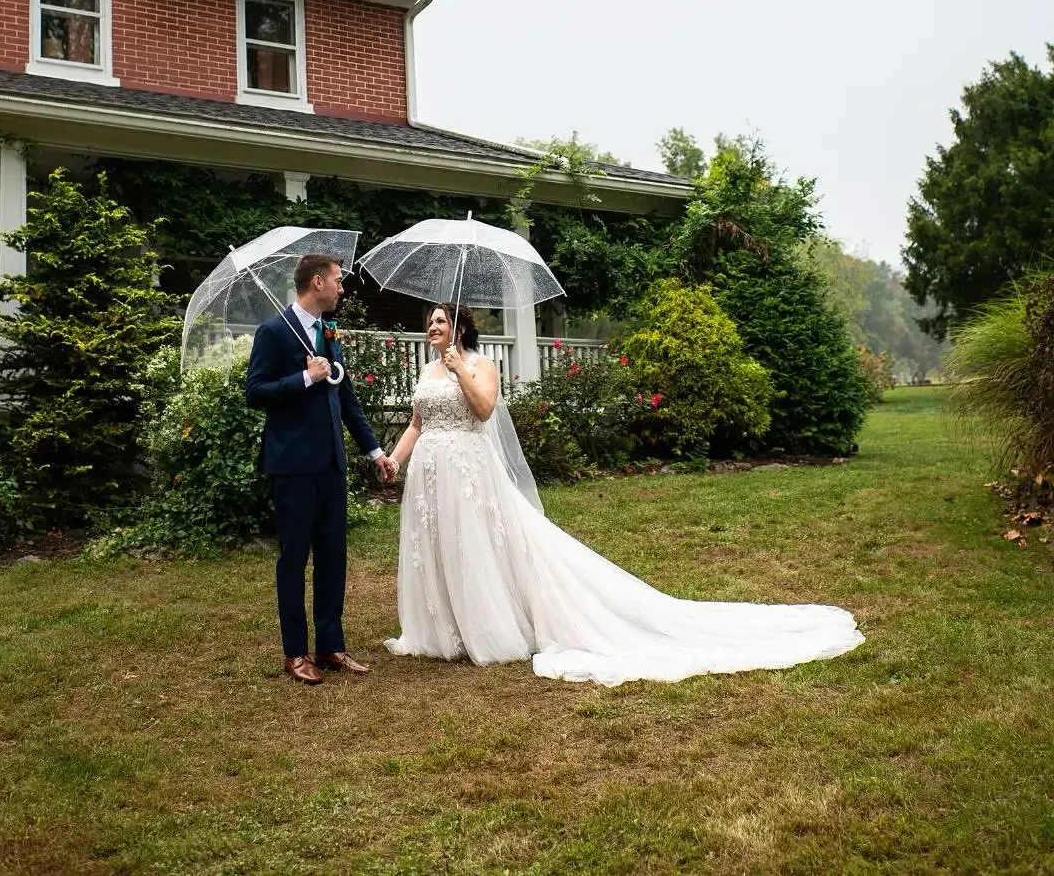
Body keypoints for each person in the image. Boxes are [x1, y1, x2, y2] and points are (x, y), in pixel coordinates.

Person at [383, 304, 864, 686]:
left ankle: (486, 630)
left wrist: (460, 370)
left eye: (441, 321)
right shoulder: (426, 373)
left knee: (477, 548)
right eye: (430, 322)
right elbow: (416, 424)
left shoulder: (477, 364)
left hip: (470, 471)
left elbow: (485, 410)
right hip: (430, 474)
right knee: (439, 548)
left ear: (459, 328)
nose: (432, 327)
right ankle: (443, 630)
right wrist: (395, 459)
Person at [246, 253, 396, 685]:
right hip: (292, 465)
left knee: (333, 557)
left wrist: (374, 452)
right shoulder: (274, 332)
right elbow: (255, 392)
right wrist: (305, 379)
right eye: (338, 281)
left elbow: (346, 399)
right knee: (294, 559)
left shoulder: (328, 333)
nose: (342, 288)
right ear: (317, 282)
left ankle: (330, 646)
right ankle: (295, 652)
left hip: (332, 463)